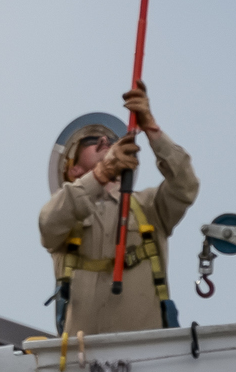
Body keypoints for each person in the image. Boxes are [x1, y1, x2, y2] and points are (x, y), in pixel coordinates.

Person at [37, 86, 199, 337]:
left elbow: (185, 185)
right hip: (83, 354)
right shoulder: (66, 212)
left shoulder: (148, 206)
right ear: (73, 169)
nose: (105, 141)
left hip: (147, 351)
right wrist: (101, 174)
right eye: (92, 141)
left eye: (111, 141)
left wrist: (152, 130)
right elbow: (49, 223)